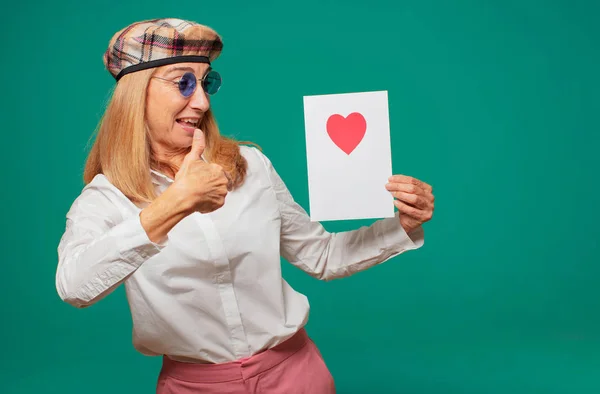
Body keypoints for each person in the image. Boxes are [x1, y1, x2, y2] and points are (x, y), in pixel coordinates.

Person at [55, 18, 435, 394]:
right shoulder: (106, 197)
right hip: (194, 386)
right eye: (183, 82)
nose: (202, 101)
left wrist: (403, 225)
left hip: (296, 376)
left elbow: (321, 255)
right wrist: (172, 205)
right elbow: (74, 287)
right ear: (136, 94)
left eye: (207, 83)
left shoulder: (250, 166)